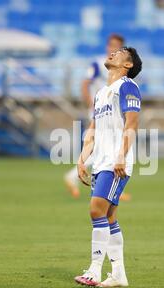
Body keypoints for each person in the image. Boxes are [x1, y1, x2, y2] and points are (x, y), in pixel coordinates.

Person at [74, 47, 142, 288]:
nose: (113, 53)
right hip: (101, 163)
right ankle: (118, 274)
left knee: (96, 210)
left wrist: (121, 156)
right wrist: (83, 158)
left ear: (128, 65)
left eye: (121, 52)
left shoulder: (127, 86)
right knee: (110, 216)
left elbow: (132, 123)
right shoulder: (101, 93)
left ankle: (93, 270)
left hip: (115, 163)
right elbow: (92, 128)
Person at [64, 34, 131, 201]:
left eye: (117, 46)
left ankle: (106, 184)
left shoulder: (120, 67)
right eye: (111, 45)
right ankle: (107, 184)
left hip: (112, 111)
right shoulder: (99, 63)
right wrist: (90, 104)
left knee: (105, 146)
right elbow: (85, 83)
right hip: (101, 111)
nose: (112, 48)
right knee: (106, 145)